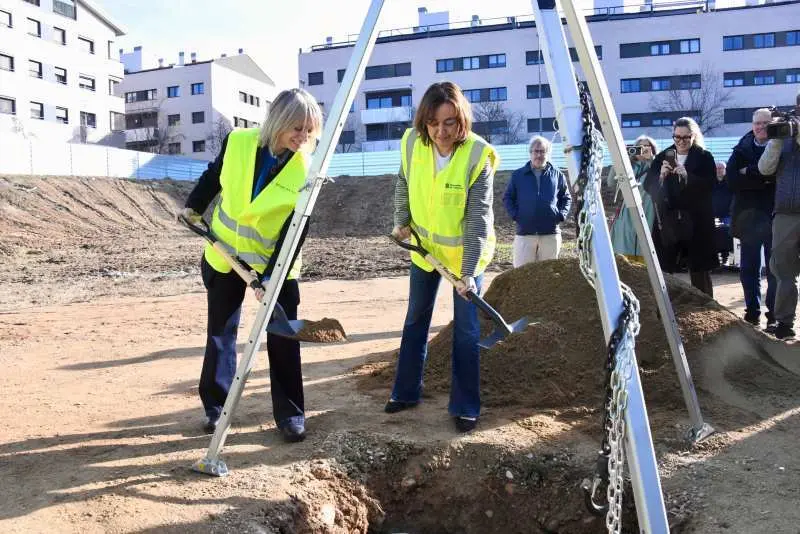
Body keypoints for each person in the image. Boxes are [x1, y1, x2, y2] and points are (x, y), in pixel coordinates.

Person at [181, 89, 323, 441]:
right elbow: (214, 176)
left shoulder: (308, 169)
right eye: (297, 128)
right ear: (278, 122)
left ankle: (290, 414)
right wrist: (193, 205)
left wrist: (272, 276)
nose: (303, 137)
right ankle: (216, 407)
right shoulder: (238, 142)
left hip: (277, 260)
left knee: (283, 335)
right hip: (225, 253)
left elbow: (297, 228)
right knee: (220, 333)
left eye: (309, 130)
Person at [387, 81, 499, 433]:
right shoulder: (412, 142)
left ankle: (465, 406)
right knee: (415, 319)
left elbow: (478, 218)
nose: (440, 132)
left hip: (464, 257)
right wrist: (402, 220)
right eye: (433, 123)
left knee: (466, 330)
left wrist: (468, 273)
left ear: (461, 119)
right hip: (424, 252)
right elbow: (403, 181)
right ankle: (406, 392)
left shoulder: (478, 155)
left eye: (449, 122)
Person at [645, 117, 718, 297]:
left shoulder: (704, 157)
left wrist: (687, 176)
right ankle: (664, 306)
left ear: (693, 136)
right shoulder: (663, 156)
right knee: (664, 267)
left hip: (696, 221)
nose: (681, 141)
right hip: (668, 220)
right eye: (677, 137)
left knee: (699, 270)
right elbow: (648, 187)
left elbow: (711, 185)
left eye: (686, 137)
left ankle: (705, 306)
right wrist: (661, 176)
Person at [727, 108, 777, 328]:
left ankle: (774, 314)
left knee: (775, 269)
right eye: (757, 123)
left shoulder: (781, 146)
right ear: (752, 125)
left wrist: (748, 172)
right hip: (748, 218)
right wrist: (763, 178)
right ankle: (752, 312)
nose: (761, 127)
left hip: (775, 215)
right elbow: (731, 180)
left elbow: (778, 177)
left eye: (766, 123)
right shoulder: (741, 148)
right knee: (749, 268)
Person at [758, 90, 800, 340]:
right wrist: (776, 140)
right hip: (786, 212)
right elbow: (765, 169)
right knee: (783, 270)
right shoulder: (785, 129)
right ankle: (784, 322)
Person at [503, 136, 572, 266]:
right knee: (522, 272)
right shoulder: (518, 175)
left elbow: (566, 198)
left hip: (550, 234)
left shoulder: (558, 175)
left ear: (548, 153)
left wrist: (560, 215)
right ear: (530, 153)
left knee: (548, 274)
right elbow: (508, 198)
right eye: (536, 151)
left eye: (542, 151)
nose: (539, 155)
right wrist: (516, 215)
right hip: (525, 233)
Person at [606, 135, 658, 263]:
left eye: (647, 146)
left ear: (653, 149)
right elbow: (611, 183)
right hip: (627, 215)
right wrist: (620, 160)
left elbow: (660, 180)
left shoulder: (658, 165)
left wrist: (651, 160)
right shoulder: (628, 166)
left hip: (648, 213)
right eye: (640, 147)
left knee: (645, 249)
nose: (643, 149)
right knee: (624, 252)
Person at [712, 161, 734, 267]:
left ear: (725, 170)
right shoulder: (710, 183)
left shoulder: (730, 182)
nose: (719, 170)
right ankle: (715, 260)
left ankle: (726, 257)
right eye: (717, 168)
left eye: (721, 168)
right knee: (713, 236)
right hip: (713, 215)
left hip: (727, 215)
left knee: (727, 235)